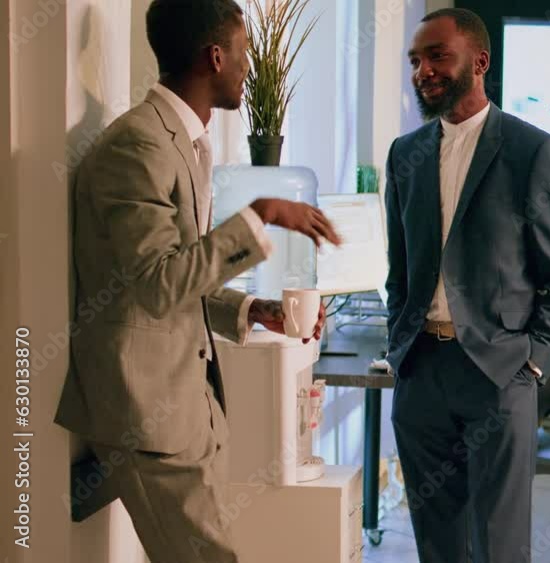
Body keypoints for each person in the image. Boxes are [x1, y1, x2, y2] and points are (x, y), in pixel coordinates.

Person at [54, 1, 338, 561]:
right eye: (244, 52)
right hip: (145, 415)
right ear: (215, 56)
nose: (248, 66)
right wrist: (263, 214)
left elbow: (176, 276)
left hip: (186, 411)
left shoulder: (182, 143)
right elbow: (157, 283)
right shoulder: (140, 145)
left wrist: (252, 311)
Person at [384, 8, 550, 562]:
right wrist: (398, 343)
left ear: (479, 61)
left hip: (498, 374)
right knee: (436, 541)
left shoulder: (532, 152)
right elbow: (398, 269)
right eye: (415, 60)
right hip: (421, 371)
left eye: (436, 56)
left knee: (499, 545)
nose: (422, 70)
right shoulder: (406, 154)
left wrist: (534, 360)